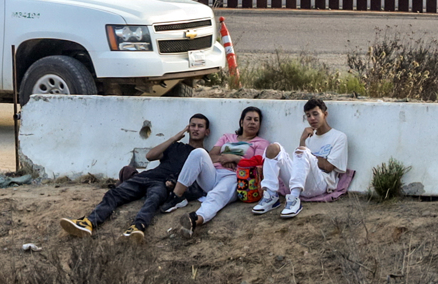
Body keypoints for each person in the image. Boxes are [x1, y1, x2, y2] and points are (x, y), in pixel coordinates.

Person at [59, 114, 211, 244]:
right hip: (149, 176)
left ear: (207, 132)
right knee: (115, 193)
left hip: (163, 184)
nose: (196, 129)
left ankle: (137, 228)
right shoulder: (177, 147)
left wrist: (174, 186)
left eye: (200, 126)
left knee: (153, 199)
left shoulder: (203, 157)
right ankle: (88, 223)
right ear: (188, 128)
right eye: (192, 125)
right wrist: (175, 137)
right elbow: (150, 156)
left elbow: (199, 184)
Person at [158, 106, 269, 238]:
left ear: (260, 124)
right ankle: (176, 196)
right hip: (213, 174)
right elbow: (210, 156)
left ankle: (195, 219)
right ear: (241, 122)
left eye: (256, 120)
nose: (252, 122)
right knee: (198, 152)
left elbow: (258, 166)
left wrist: (235, 158)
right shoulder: (227, 137)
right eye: (249, 119)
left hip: (235, 177)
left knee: (216, 195)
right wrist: (223, 158)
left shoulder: (261, 143)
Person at [252, 98, 348, 219]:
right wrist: (302, 141)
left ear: (325, 114)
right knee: (273, 148)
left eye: (315, 114)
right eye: (308, 115)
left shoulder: (339, 137)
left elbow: (328, 167)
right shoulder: (309, 137)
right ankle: (271, 196)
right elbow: (301, 163)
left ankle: (294, 199)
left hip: (321, 183)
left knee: (302, 152)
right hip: (301, 183)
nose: (312, 118)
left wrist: (307, 153)